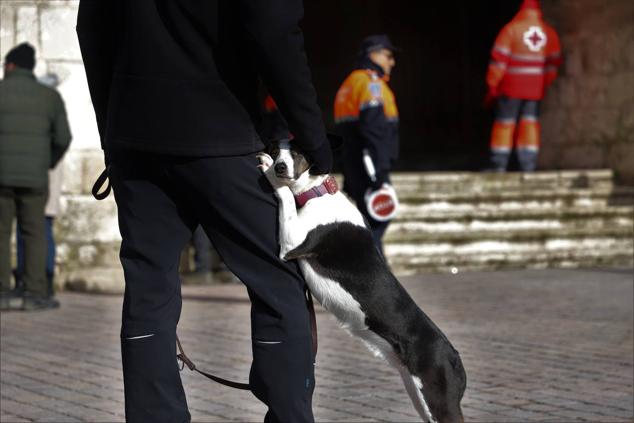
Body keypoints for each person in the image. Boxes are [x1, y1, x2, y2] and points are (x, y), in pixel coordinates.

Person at [76, 1, 332, 422]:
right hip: (222, 132)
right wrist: (313, 137)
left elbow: (92, 27)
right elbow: (274, 29)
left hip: (137, 141)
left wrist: (114, 132)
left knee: (148, 287)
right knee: (278, 278)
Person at [0, 43, 71, 311]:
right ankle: (35, 293)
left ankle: (2, 292)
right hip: (34, 178)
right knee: (35, 233)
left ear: (10, 66)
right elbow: (63, 137)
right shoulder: (49, 96)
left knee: (1, 233)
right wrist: (47, 162)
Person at [334, 34, 400, 254]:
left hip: (355, 167)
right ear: (374, 54)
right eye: (388, 55)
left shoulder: (347, 84)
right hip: (370, 167)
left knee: (371, 220)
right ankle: (374, 276)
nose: (392, 62)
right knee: (379, 220)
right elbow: (374, 132)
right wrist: (381, 172)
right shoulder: (371, 84)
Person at [486, 0, 562, 172]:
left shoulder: (511, 30)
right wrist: (544, 82)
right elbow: (554, 62)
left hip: (511, 87)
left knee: (505, 124)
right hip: (534, 89)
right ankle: (528, 164)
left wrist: (492, 84)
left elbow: (499, 60)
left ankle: (499, 164)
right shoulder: (548, 33)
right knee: (530, 125)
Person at [14, 73, 64, 300]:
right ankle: (31, 278)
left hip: (40, 185)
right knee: (33, 232)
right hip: (36, 183)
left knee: (37, 232)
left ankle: (40, 279)